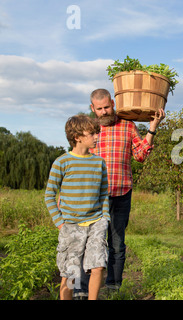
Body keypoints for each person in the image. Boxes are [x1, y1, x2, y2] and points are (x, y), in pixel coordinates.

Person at [73, 88, 165, 299]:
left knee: (116, 244)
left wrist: (152, 128)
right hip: (92, 197)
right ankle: (80, 289)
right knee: (86, 243)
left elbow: (141, 155)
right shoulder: (89, 131)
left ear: (113, 103)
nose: (104, 112)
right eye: (99, 109)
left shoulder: (127, 126)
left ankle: (113, 287)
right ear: (92, 109)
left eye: (107, 107)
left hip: (121, 193)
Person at [45, 114, 110, 300]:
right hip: (71, 226)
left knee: (98, 266)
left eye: (97, 133)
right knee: (71, 273)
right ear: (77, 137)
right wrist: (60, 223)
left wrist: (105, 218)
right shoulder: (62, 163)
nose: (96, 137)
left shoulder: (99, 163)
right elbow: (49, 195)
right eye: (92, 133)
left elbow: (103, 193)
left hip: (96, 223)